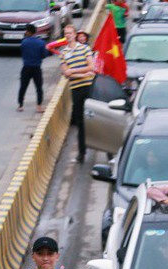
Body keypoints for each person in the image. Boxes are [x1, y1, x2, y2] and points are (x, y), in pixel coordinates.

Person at [60, 23, 95, 164]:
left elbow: (91, 66)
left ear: (75, 34)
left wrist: (73, 71)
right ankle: (82, 152)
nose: (68, 36)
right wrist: (85, 73)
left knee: (95, 119)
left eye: (70, 33)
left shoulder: (85, 48)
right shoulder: (63, 53)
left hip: (89, 87)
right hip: (76, 89)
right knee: (80, 122)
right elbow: (65, 73)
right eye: (66, 33)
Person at [18, 24, 49, 113]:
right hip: (37, 68)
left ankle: (20, 105)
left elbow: (22, 53)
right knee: (39, 88)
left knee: (23, 87)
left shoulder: (24, 42)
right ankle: (39, 106)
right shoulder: (41, 43)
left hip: (26, 67)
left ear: (28, 32)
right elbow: (44, 55)